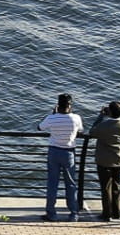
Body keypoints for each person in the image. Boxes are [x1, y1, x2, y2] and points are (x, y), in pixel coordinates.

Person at [38, 93, 85, 221]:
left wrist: (53, 115)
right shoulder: (76, 118)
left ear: (58, 105)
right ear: (70, 105)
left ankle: (51, 213)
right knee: (70, 184)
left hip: (54, 152)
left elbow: (40, 127)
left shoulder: (51, 118)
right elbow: (80, 130)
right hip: (69, 152)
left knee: (52, 183)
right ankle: (73, 213)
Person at [89, 101, 120, 221]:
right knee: (116, 186)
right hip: (119, 159)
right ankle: (116, 212)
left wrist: (101, 116)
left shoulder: (104, 126)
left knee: (106, 187)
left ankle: (106, 213)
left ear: (110, 112)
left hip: (104, 160)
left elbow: (92, 132)